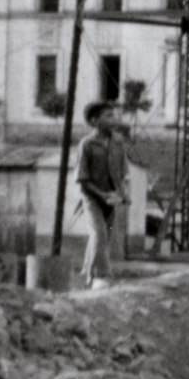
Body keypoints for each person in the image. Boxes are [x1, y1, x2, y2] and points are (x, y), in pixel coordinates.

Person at [75, 108, 120, 288]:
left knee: (103, 237)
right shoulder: (86, 144)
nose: (113, 119)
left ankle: (87, 274)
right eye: (107, 115)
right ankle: (102, 276)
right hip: (92, 198)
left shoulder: (116, 143)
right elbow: (82, 180)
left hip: (110, 199)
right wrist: (102, 195)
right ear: (94, 121)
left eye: (113, 115)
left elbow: (121, 171)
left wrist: (122, 193)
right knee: (99, 234)